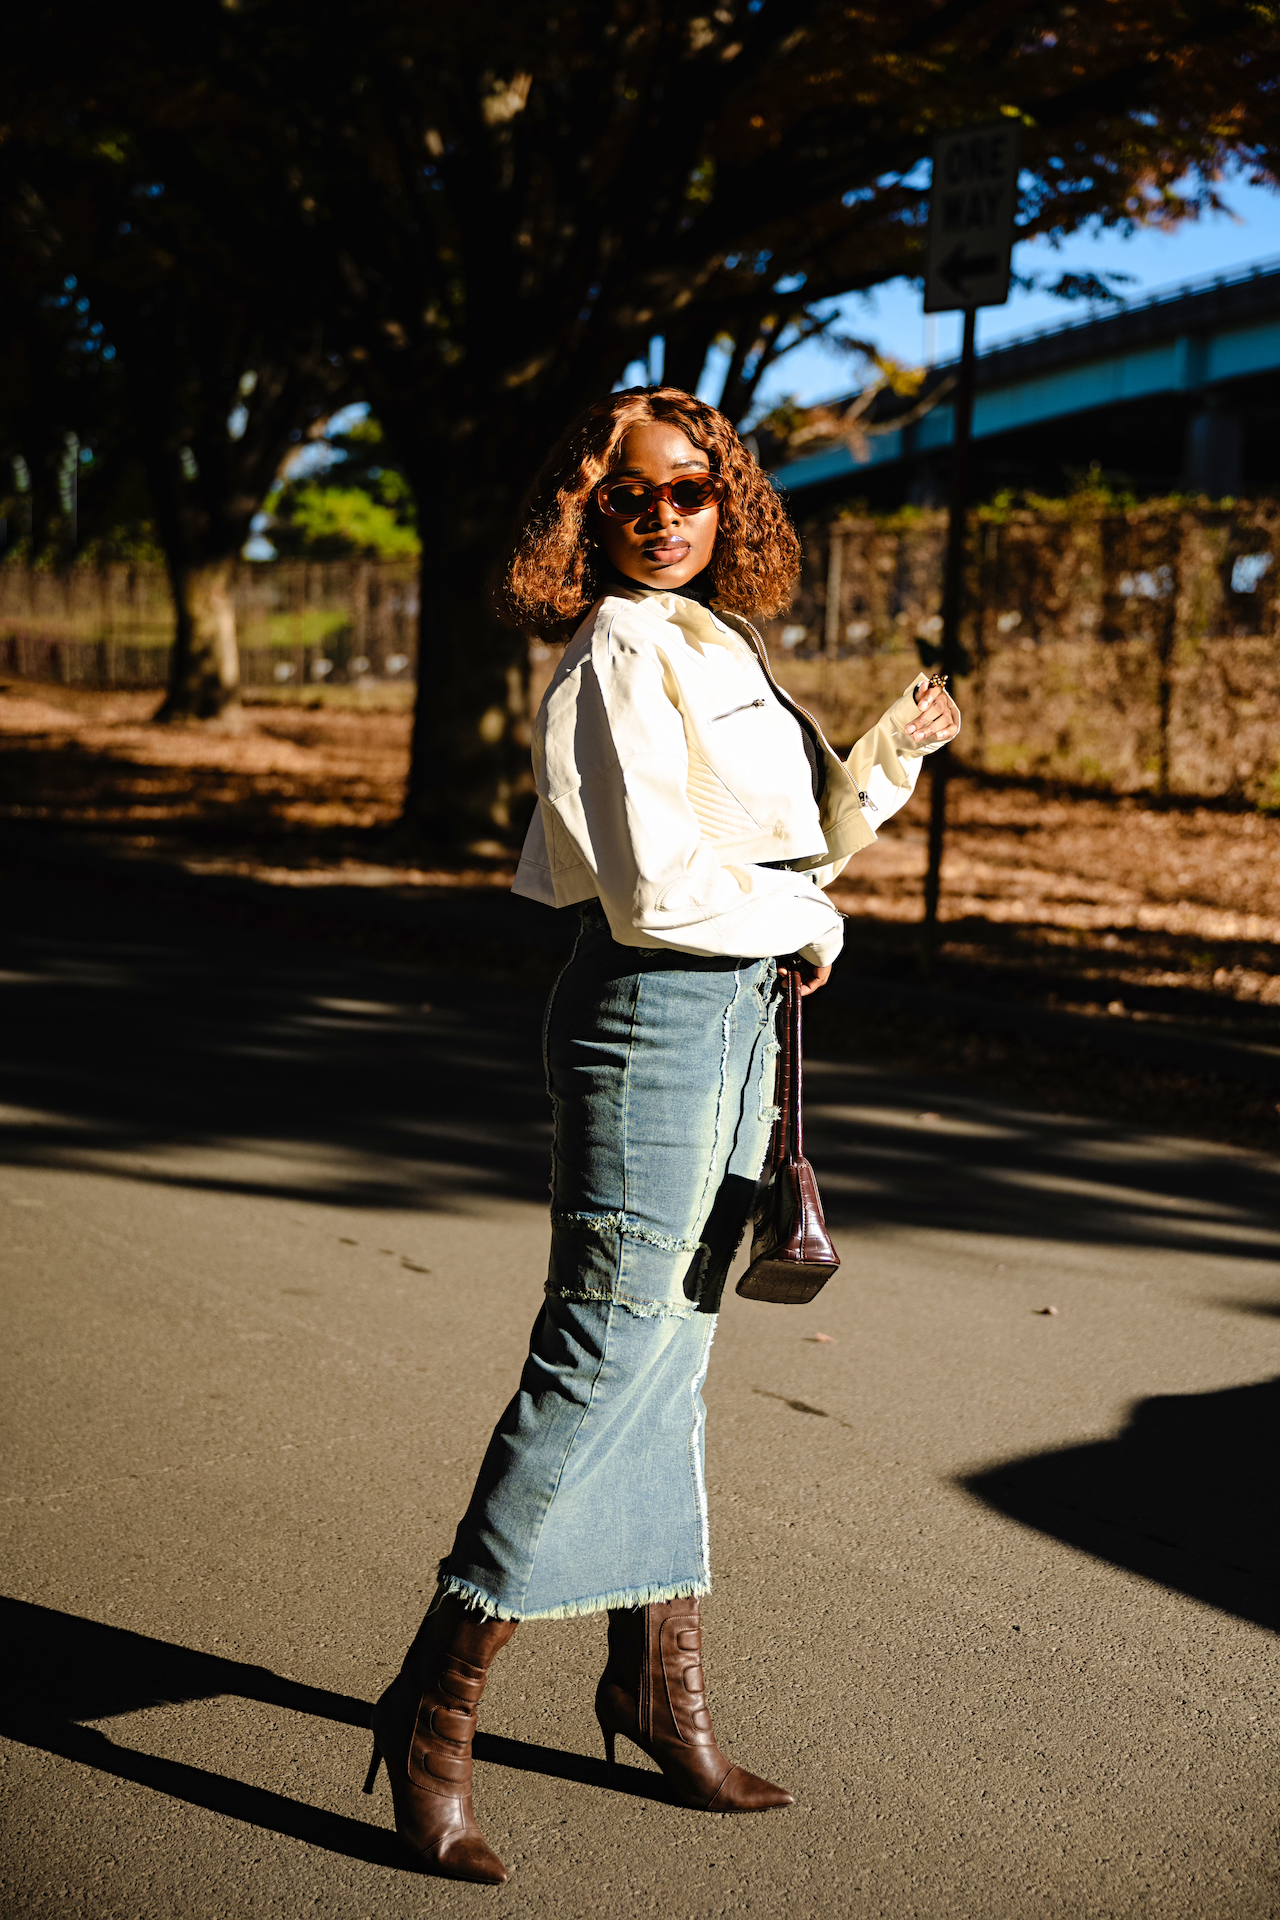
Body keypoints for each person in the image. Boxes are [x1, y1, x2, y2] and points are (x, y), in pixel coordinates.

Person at [363, 388, 961, 1882]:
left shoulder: (714, 642)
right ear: (586, 512)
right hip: (653, 1016)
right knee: (601, 1355)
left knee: (674, 1356)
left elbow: (771, 851)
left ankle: (652, 1684)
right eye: (632, 498)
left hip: (737, 1016)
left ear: (729, 495)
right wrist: (809, 914)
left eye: (693, 490)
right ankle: (436, 1701)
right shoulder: (617, 652)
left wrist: (883, 762)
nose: (668, 517)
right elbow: (653, 891)